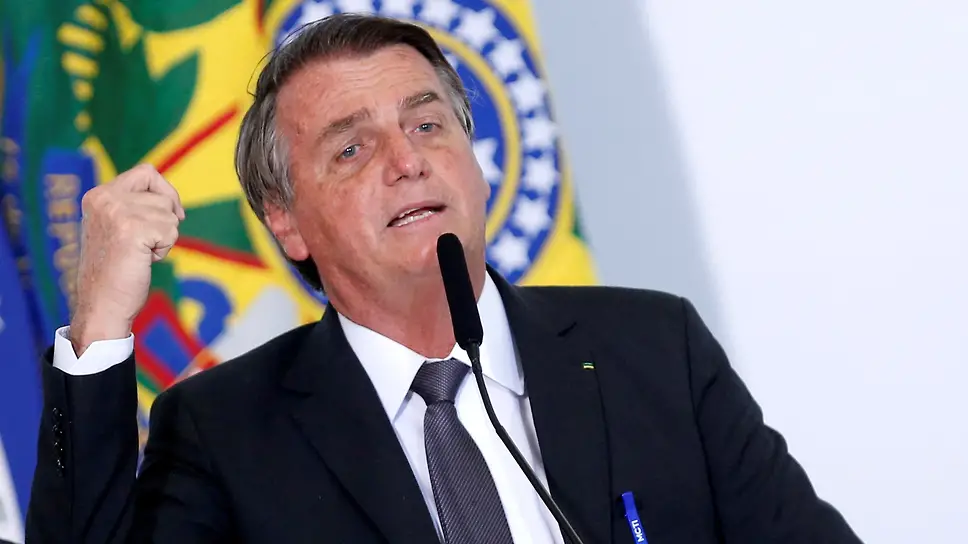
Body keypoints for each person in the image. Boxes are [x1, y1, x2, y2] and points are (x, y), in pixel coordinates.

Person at [25, 13, 862, 544]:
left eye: (428, 125)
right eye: (352, 148)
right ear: (286, 221)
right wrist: (99, 328)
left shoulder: (653, 350)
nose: (407, 161)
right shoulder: (224, 433)